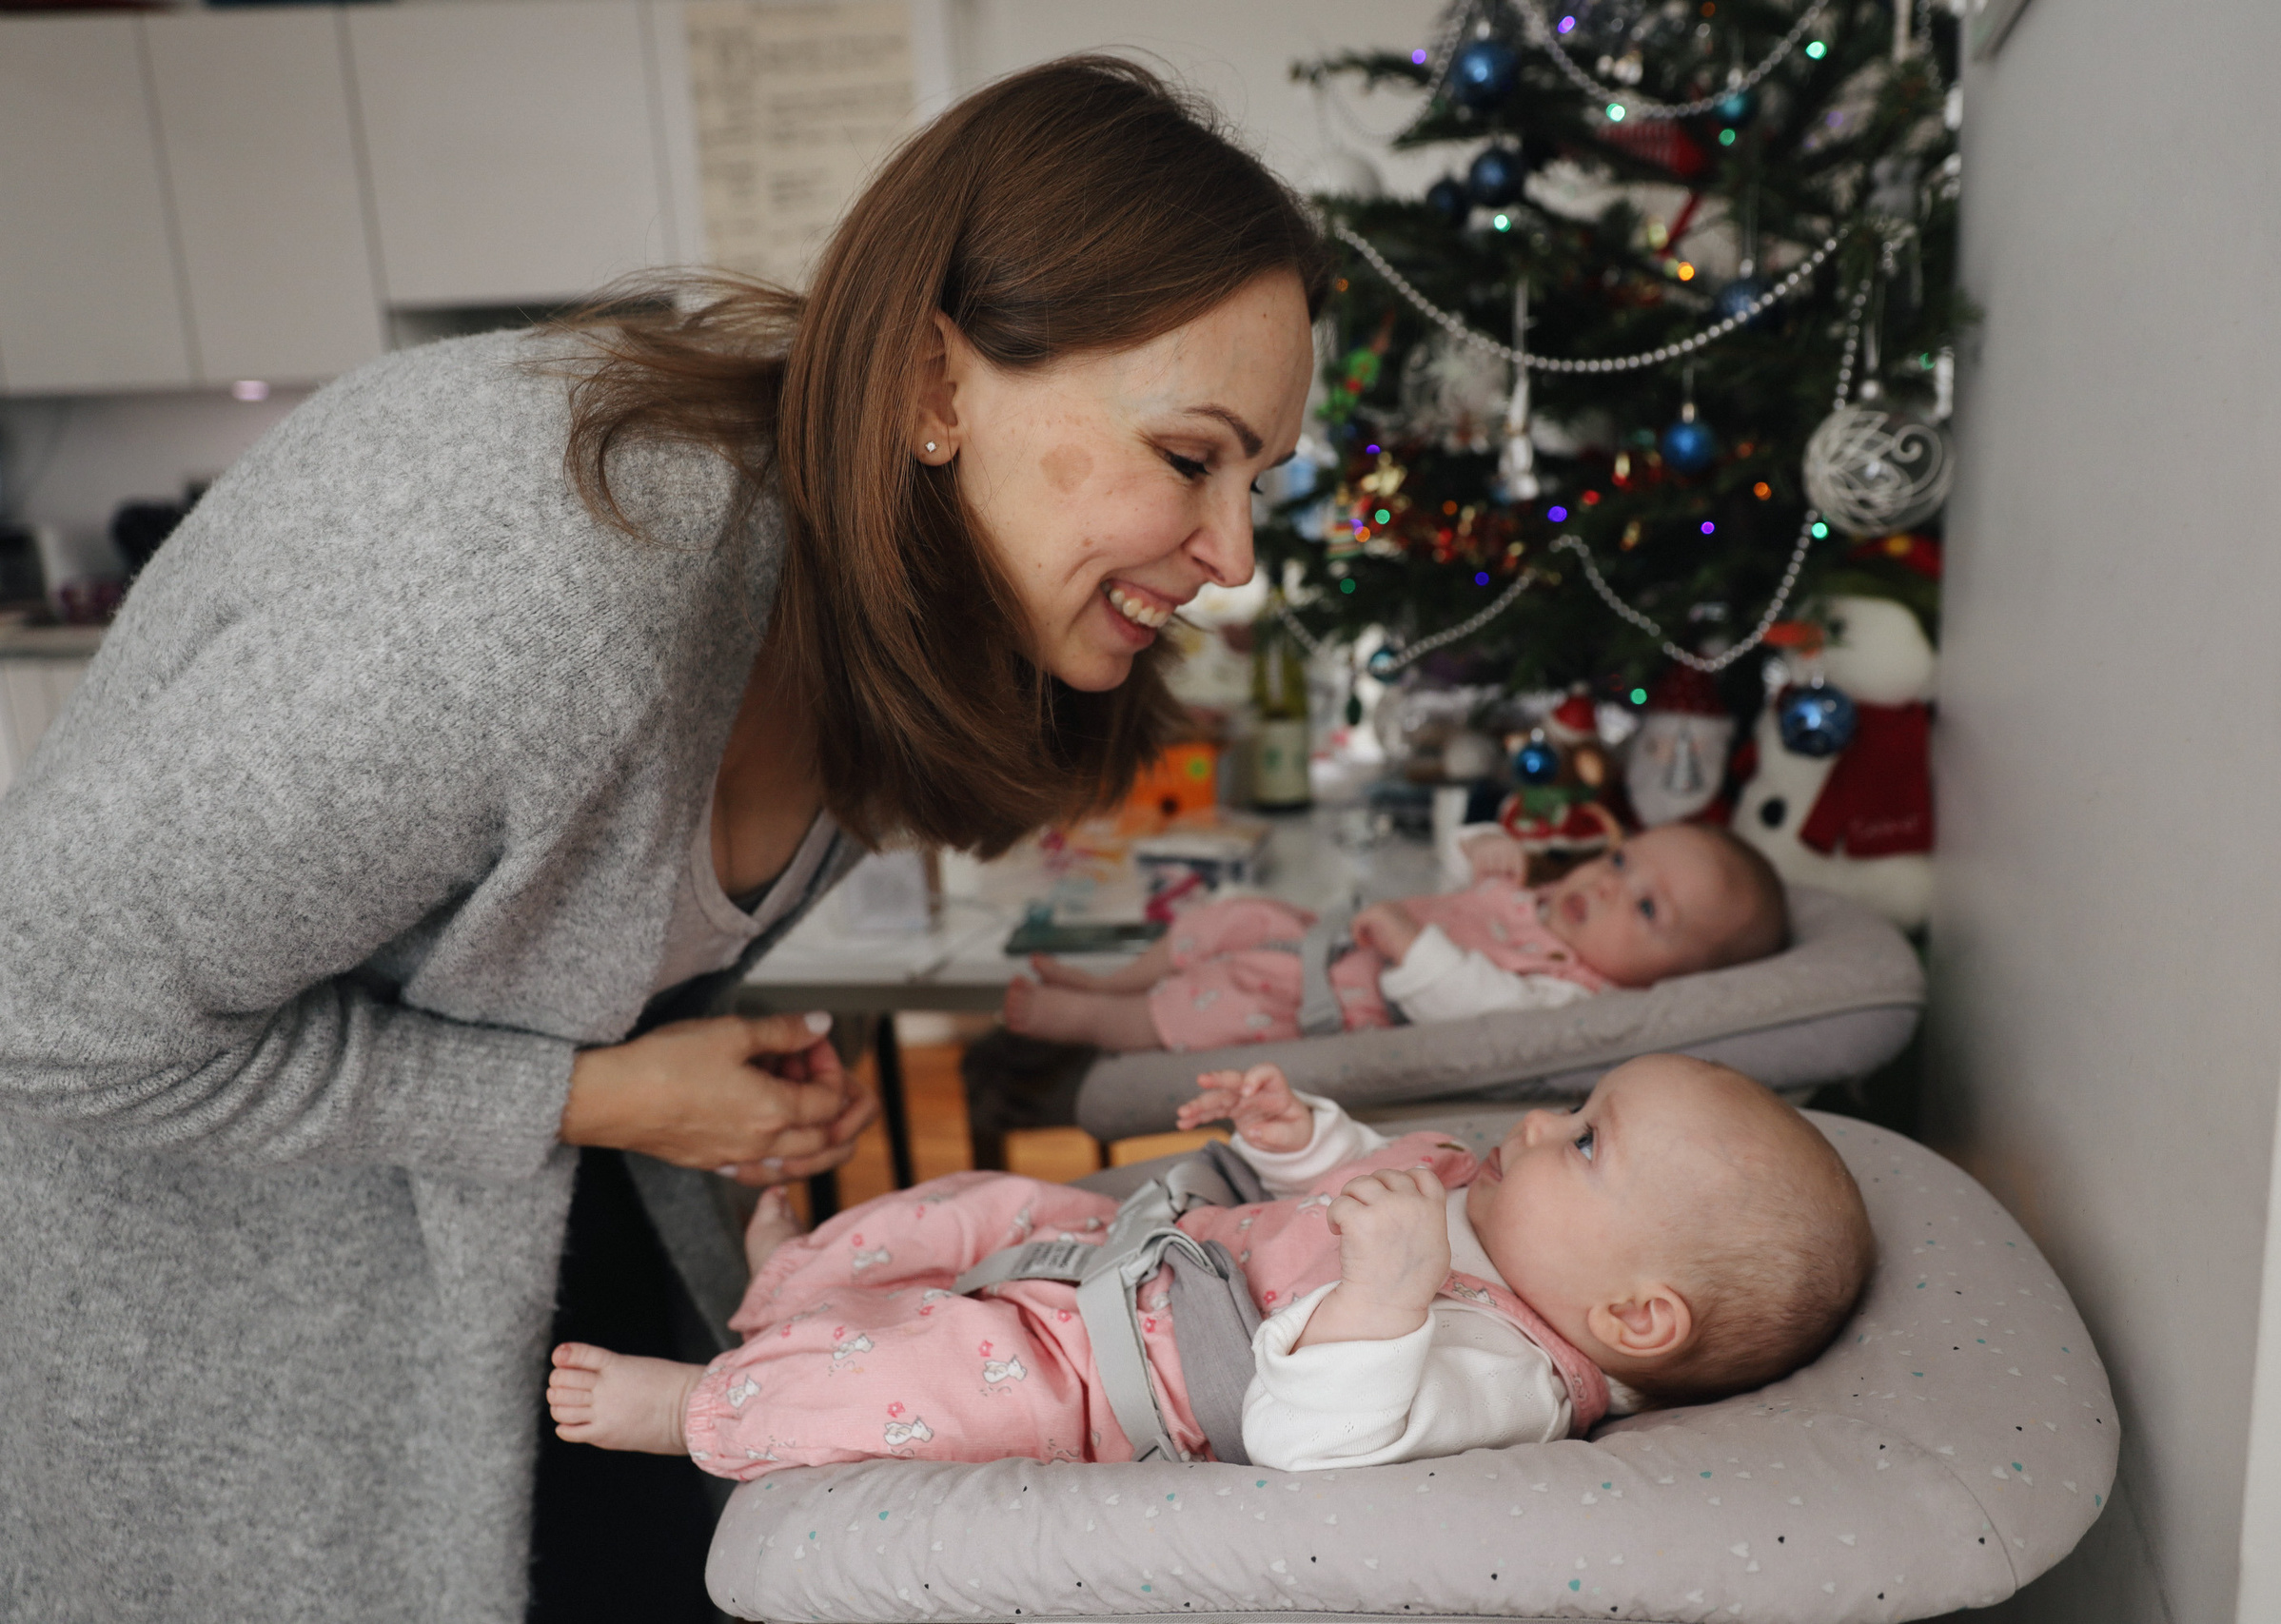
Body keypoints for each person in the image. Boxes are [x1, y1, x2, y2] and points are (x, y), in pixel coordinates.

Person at [0, 58, 1322, 1624]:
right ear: (934, 384)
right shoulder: (541, 609)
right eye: (1191, 457)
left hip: (494, 1236)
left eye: (1262, 478)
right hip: (213, 1291)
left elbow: (541, 931)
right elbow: (44, 1004)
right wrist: (602, 1090)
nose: (1234, 553)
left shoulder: (869, 575)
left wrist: (671, 1071)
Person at [545, 1054, 1871, 1475]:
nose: (1538, 1124)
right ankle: (791, 1281)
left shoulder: (1511, 1368)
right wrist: (1303, 1143)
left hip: (1114, 1376)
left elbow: (1321, 1430)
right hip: (1141, 1249)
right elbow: (1352, 1182)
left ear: (1634, 1314)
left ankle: (706, 1405)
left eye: (1585, 1141)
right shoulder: (1492, 1203)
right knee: (977, 1203)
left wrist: (1392, 1293)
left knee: (933, 1371)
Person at [1005, 820, 1788, 1051]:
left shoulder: (1569, 987)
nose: (1610, 883)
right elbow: (1464, 877)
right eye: (1621, 860)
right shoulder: (1548, 899)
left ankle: (1091, 1019)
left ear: (1672, 977)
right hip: (1329, 937)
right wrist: (1486, 847)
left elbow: (1487, 1007)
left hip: (1337, 997)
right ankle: (1112, 979)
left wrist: (1416, 947)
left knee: (1223, 998)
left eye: (1647, 910)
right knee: (1232, 914)